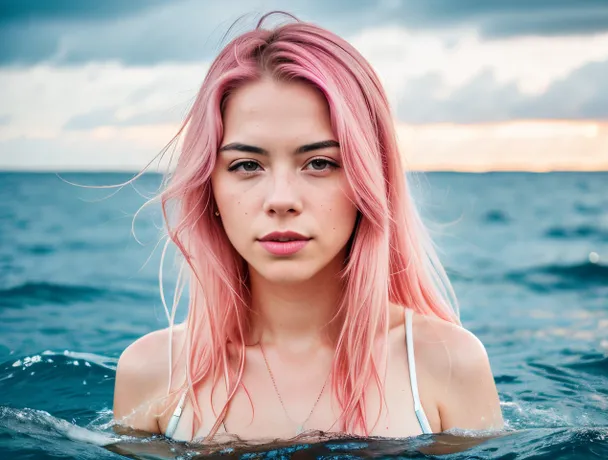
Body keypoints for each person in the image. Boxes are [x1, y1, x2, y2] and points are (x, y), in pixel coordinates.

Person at [112, 10, 503, 444]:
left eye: (319, 163)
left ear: (370, 180)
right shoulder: (150, 373)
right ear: (210, 187)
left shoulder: (447, 362)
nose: (281, 199)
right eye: (246, 165)